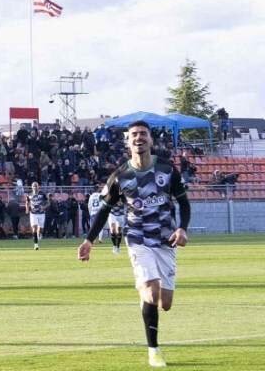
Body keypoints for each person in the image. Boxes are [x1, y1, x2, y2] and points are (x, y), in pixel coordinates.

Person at [79, 120, 190, 368]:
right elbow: (104, 210)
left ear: (151, 140)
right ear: (127, 142)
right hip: (138, 238)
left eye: (143, 134)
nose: (138, 138)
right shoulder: (120, 177)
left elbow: (183, 203)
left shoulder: (167, 170)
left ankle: (146, 292)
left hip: (165, 240)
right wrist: (89, 239)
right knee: (151, 290)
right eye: (134, 135)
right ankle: (154, 351)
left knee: (166, 303)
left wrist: (182, 228)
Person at [25, 181, 48, 250]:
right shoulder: (29, 195)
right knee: (34, 228)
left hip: (41, 213)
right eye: (33, 186)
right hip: (33, 213)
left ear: (38, 187)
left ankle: (39, 234)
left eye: (36, 186)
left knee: (40, 229)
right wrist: (27, 209)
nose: (35, 187)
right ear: (32, 187)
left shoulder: (42, 194)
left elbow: (48, 202)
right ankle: (36, 245)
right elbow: (27, 202)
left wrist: (44, 207)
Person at [107, 189, 127, 254]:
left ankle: (118, 246)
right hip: (112, 213)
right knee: (113, 230)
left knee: (119, 231)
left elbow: (126, 202)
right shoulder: (111, 194)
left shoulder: (123, 195)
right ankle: (114, 246)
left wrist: (122, 202)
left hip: (121, 214)